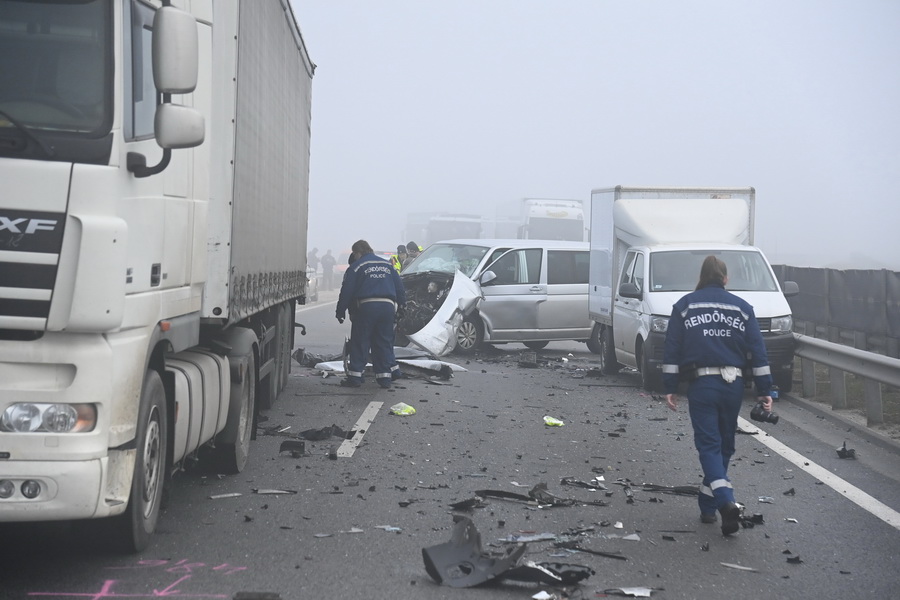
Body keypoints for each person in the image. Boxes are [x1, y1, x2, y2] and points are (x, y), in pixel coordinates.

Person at [661, 255, 773, 536]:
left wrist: (669, 386)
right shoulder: (743, 308)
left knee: (709, 446)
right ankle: (708, 507)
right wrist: (765, 390)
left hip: (703, 384)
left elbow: (672, 351)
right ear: (725, 278)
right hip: (733, 385)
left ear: (702, 276)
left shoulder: (685, 306)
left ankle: (725, 502)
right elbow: (758, 353)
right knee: (725, 446)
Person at [336, 239, 407, 388]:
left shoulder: (357, 266)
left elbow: (347, 291)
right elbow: (399, 288)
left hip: (367, 306)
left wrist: (340, 311)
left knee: (360, 341)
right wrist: (402, 306)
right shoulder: (387, 265)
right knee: (383, 342)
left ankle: (355, 377)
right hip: (387, 307)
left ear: (358, 252)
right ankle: (385, 379)